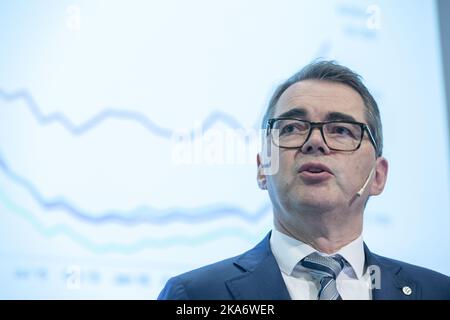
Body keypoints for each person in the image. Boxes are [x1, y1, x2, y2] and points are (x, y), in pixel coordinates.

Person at [158, 60, 450, 300]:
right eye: (292, 128)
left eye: (341, 130)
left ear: (378, 175)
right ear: (263, 169)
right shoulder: (195, 296)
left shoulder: (439, 293)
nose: (314, 142)